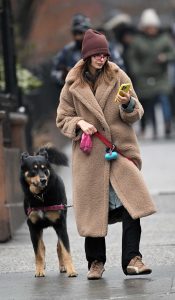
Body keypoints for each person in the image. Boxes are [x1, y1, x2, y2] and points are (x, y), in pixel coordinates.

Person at [56, 29, 156, 279]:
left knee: (133, 203)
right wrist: (79, 123)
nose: (102, 58)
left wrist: (127, 104)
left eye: (105, 53)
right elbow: (62, 119)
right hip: (90, 156)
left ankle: (133, 259)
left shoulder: (118, 75)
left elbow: (136, 113)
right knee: (92, 209)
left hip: (119, 152)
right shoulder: (73, 83)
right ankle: (96, 263)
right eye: (97, 54)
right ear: (87, 55)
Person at [127, 9, 175, 138]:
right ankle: (153, 127)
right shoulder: (138, 41)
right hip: (144, 77)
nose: (151, 30)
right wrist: (136, 71)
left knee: (165, 98)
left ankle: (167, 123)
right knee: (149, 102)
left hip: (161, 76)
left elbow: (173, 53)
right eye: (148, 27)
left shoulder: (164, 39)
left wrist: (165, 57)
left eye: (153, 27)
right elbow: (132, 57)